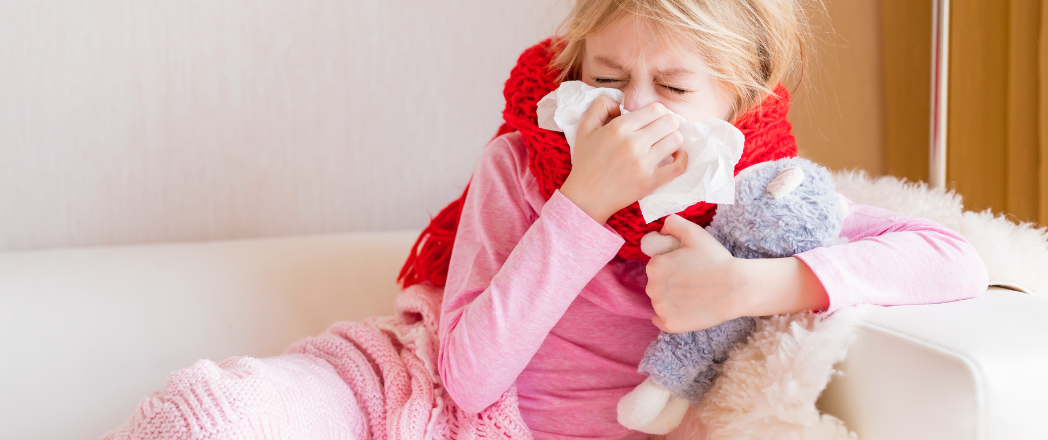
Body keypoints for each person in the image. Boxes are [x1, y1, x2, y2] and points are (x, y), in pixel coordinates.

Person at [413, 0, 989, 438]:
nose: (634, 111)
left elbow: (954, 260)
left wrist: (744, 287)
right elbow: (468, 381)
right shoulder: (519, 166)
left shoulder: (762, 196)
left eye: (673, 87)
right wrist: (582, 203)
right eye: (607, 80)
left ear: (737, 101)